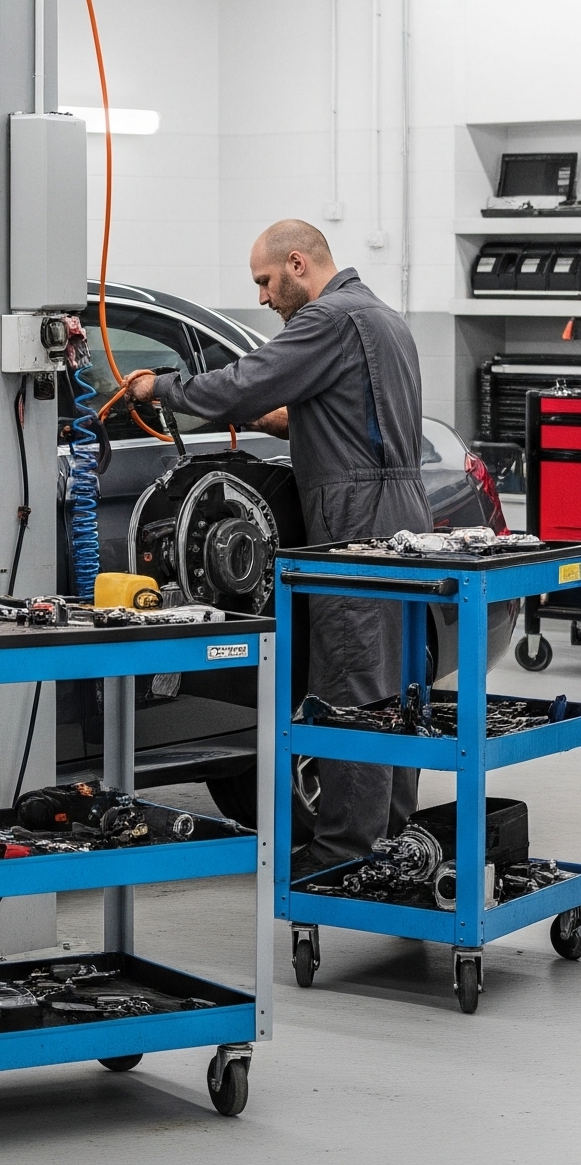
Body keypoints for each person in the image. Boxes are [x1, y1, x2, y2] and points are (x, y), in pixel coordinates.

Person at [126, 218, 429, 869]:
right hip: (403, 513)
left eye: (264, 281)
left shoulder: (326, 320)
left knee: (352, 686)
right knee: (394, 686)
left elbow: (242, 383)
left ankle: (342, 855)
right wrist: (295, 420)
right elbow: (359, 419)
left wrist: (160, 389)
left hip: (355, 518)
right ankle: (390, 841)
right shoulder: (380, 317)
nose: (262, 297)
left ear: (298, 264)